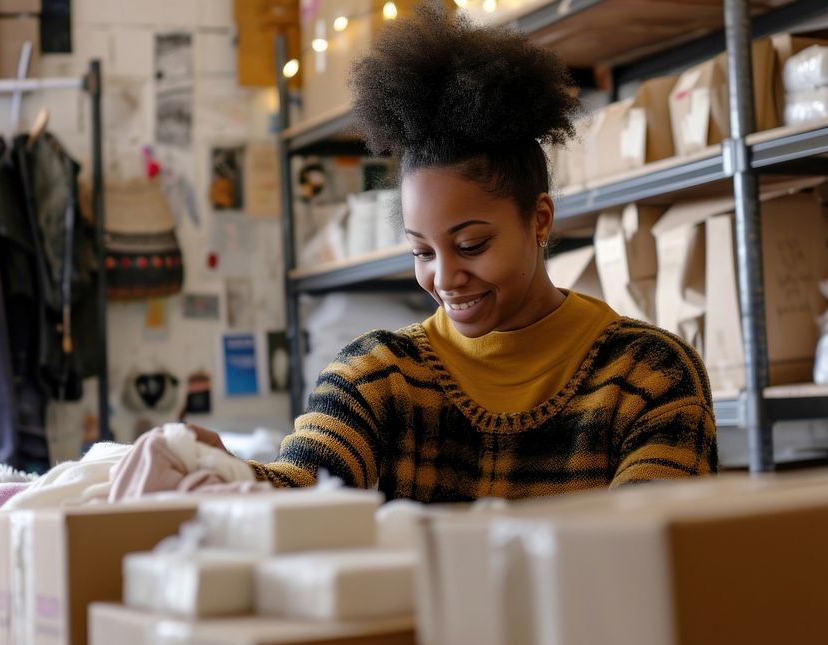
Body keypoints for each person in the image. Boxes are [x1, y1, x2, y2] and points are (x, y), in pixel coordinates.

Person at [197, 2, 717, 502]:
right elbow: (298, 490)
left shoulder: (647, 374)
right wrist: (220, 470)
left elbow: (653, 546)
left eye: (471, 245)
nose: (445, 278)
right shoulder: (379, 377)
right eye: (422, 252)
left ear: (539, 220)